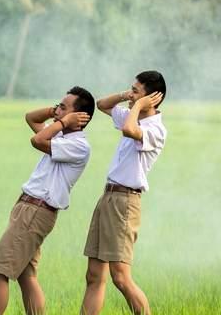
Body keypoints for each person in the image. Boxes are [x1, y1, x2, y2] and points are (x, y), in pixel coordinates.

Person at [0, 86, 95, 315]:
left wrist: (63, 122)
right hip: (31, 209)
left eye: (64, 107)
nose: (57, 111)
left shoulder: (78, 145)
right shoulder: (60, 136)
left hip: (36, 210)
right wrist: (58, 112)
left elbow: (37, 140)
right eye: (58, 105)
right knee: (26, 276)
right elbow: (30, 118)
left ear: (79, 117)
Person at [80, 70, 167, 315]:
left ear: (153, 99)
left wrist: (138, 105)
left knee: (120, 277)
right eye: (132, 89)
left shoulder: (155, 129)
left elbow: (129, 130)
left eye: (136, 91)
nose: (131, 95)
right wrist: (127, 95)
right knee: (94, 275)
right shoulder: (133, 114)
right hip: (108, 197)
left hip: (125, 202)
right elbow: (102, 104)